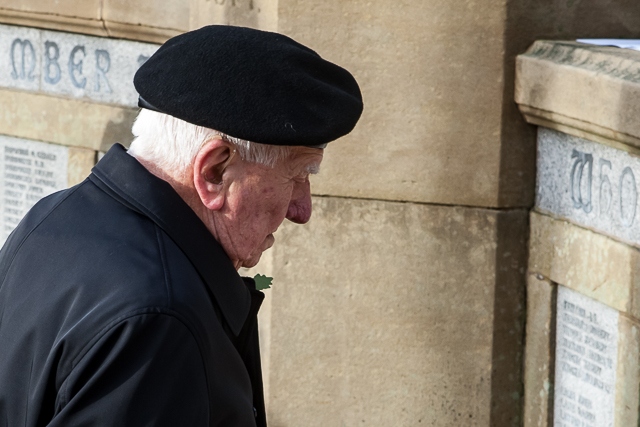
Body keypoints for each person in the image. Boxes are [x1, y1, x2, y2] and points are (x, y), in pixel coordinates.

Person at [0, 25, 362, 426]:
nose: (302, 209)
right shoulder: (162, 322)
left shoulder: (55, 215)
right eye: (297, 175)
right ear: (215, 171)